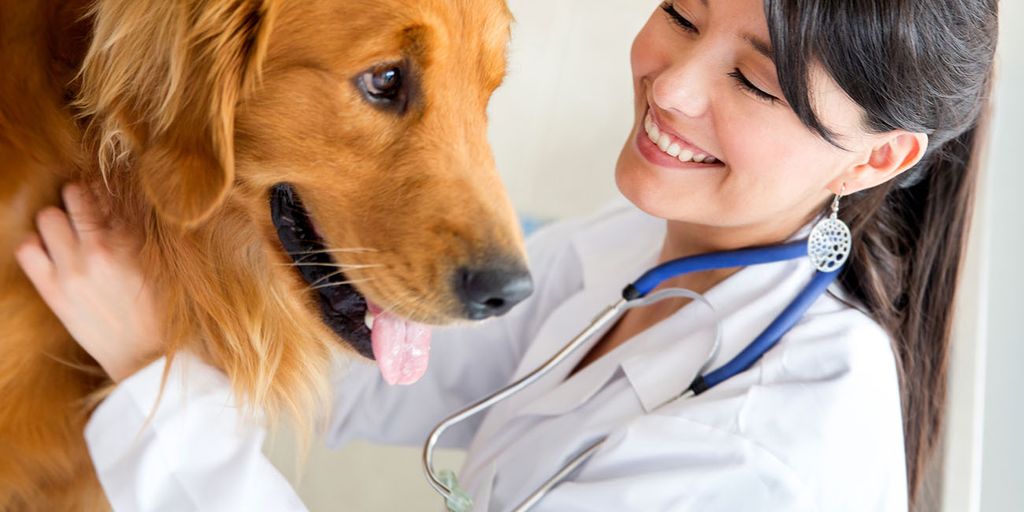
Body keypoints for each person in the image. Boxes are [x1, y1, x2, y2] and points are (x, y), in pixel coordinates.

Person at [15, 0, 998, 510]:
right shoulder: (635, 256)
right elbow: (378, 371)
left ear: (883, 154)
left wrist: (158, 383)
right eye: (681, 16)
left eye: (752, 81)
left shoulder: (762, 461)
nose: (671, 89)